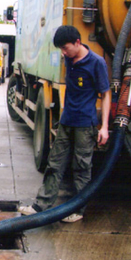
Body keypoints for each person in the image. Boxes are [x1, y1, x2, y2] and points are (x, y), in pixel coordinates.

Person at [19, 25, 111, 223]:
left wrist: (104, 127)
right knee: (55, 163)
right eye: (61, 49)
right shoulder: (70, 58)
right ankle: (40, 206)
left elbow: (106, 94)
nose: (63, 52)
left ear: (78, 43)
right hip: (67, 120)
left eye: (66, 48)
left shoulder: (97, 63)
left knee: (81, 167)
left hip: (85, 124)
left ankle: (77, 210)